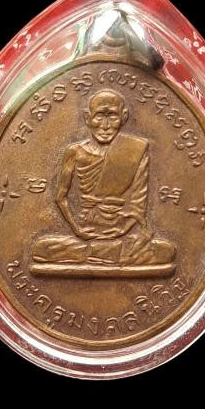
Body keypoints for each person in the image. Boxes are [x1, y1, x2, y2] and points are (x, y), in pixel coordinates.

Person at [31, 89, 176, 272]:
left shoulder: (136, 149)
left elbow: (138, 203)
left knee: (166, 251)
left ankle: (95, 254)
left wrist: (122, 230)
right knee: (42, 248)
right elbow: (61, 197)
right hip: (86, 230)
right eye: (99, 116)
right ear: (87, 118)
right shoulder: (75, 152)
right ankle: (105, 254)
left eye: (112, 117)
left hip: (121, 231)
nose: (105, 126)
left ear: (123, 117)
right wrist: (77, 230)